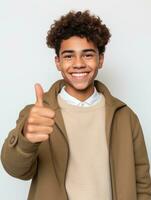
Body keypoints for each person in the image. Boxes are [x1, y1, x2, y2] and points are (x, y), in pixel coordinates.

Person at [1, 10, 151, 200]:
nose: (78, 64)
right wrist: (25, 139)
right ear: (58, 62)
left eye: (87, 55)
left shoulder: (125, 116)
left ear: (100, 59)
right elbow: (15, 170)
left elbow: (142, 183)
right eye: (69, 56)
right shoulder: (37, 115)